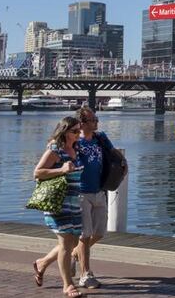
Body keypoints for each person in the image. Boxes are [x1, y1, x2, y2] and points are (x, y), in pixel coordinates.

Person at [32, 116, 84, 298]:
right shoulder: (55, 150)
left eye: (79, 130)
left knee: (74, 242)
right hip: (58, 203)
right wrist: (61, 169)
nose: (78, 134)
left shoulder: (76, 148)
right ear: (64, 131)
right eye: (75, 131)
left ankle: (42, 263)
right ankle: (68, 285)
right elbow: (37, 173)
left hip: (75, 204)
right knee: (65, 244)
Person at [70, 105, 115, 289]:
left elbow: (113, 152)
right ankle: (85, 275)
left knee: (99, 233)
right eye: (93, 120)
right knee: (85, 235)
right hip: (81, 193)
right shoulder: (74, 141)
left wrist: (123, 162)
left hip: (99, 191)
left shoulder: (100, 138)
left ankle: (74, 254)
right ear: (81, 123)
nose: (97, 122)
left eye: (97, 119)